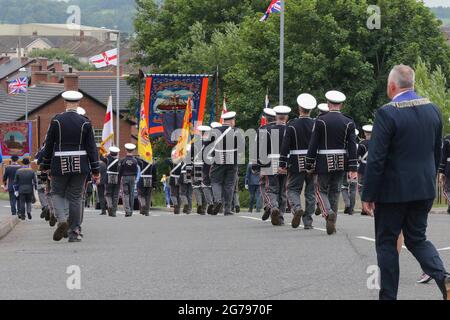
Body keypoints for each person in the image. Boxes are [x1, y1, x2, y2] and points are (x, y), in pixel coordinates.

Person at [361, 64, 450, 300]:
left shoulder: (387, 112)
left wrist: (368, 194)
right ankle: (443, 278)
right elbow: (436, 151)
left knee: (387, 244)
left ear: (392, 86)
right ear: (412, 84)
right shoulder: (433, 110)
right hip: (423, 189)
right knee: (417, 239)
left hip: (393, 192)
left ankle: (388, 297)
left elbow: (376, 158)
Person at [40, 91, 100, 243]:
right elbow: (92, 148)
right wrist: (95, 170)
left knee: (57, 193)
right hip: (81, 163)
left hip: (59, 162)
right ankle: (74, 231)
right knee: (75, 197)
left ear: (65, 103)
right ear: (78, 103)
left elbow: (49, 145)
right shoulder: (85, 122)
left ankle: (62, 220)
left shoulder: (56, 121)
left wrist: (45, 165)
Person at [306, 90, 358, 235]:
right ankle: (332, 223)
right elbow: (352, 145)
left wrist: (309, 163)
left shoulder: (321, 120)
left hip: (323, 161)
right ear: (341, 104)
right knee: (335, 191)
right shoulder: (348, 122)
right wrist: (353, 166)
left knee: (320, 189)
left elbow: (313, 144)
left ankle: (328, 212)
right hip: (342, 161)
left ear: (328, 104)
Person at [280, 94, 316, 229]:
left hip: (296, 161)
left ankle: (297, 207)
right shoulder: (315, 124)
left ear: (299, 108)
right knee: (310, 192)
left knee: (292, 189)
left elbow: (285, 147)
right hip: (313, 161)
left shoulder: (292, 125)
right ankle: (308, 222)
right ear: (310, 109)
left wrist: (282, 164)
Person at [209, 111, 241, 216]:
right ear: (231, 121)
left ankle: (218, 200)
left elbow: (209, 146)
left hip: (218, 157)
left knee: (215, 181)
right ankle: (228, 209)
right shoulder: (237, 131)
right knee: (229, 185)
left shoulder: (215, 130)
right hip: (232, 159)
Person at [264, 105, 291, 226]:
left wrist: (259, 164)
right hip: (286, 162)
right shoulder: (290, 130)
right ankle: (280, 216)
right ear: (287, 117)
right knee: (283, 190)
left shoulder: (267, 130)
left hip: (270, 161)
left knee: (271, 189)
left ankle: (273, 206)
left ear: (276, 117)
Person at [253, 108, 277, 221]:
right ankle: (277, 211)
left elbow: (258, 148)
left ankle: (270, 204)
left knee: (264, 185)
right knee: (281, 187)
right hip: (282, 162)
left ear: (266, 119)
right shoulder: (283, 128)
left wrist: (255, 164)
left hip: (266, 161)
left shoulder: (262, 130)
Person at [192, 126, 213, 215]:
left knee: (196, 186)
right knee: (205, 186)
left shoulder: (194, 144)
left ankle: (199, 204)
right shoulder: (210, 143)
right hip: (206, 167)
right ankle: (206, 206)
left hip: (196, 166)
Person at [341, 128, 360, 216]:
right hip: (355, 168)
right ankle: (351, 209)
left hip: (345, 168)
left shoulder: (343, 145)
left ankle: (347, 204)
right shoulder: (357, 146)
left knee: (344, 187)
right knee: (353, 189)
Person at [119, 143, 139, 217]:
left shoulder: (123, 160)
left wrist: (120, 177)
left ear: (125, 150)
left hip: (125, 177)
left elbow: (120, 170)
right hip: (132, 177)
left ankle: (127, 210)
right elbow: (136, 170)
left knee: (126, 194)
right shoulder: (135, 161)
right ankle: (131, 210)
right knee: (132, 194)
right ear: (133, 150)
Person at [357, 125, 373, 215]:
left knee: (361, 188)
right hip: (373, 168)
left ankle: (364, 208)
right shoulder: (377, 142)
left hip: (363, 168)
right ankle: (371, 207)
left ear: (364, 133)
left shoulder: (362, 144)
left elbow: (357, 155)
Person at [104, 146, 121, 217]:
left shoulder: (107, 159)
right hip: (117, 178)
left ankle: (110, 205)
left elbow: (101, 157)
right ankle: (113, 211)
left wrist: (107, 154)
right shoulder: (119, 161)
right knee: (115, 195)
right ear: (117, 153)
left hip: (109, 177)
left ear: (110, 153)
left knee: (108, 194)